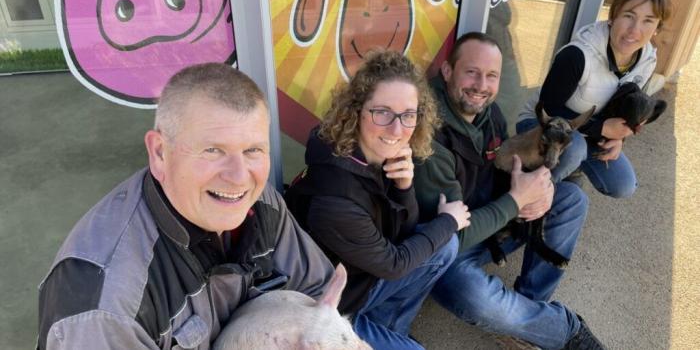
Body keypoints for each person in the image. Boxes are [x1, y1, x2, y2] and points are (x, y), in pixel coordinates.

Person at [38, 63, 335, 350]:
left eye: (253, 150)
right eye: (213, 150)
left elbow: (315, 293)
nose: (238, 176)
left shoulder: (260, 201)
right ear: (159, 153)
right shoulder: (107, 308)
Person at [413, 32, 605, 349]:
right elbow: (448, 236)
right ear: (448, 71)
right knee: (470, 295)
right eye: (471, 72)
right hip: (449, 248)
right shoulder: (428, 135)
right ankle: (564, 330)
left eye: (491, 76)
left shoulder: (491, 114)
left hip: (494, 220)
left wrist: (535, 193)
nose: (481, 85)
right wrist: (516, 202)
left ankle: (527, 313)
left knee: (572, 200)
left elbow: (505, 173)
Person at [285, 51, 470, 350]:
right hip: (329, 308)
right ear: (357, 110)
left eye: (408, 115)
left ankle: (389, 330)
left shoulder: (374, 154)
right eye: (382, 112)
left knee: (445, 246)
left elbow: (403, 232)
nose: (397, 130)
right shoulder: (335, 199)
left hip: (362, 277)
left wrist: (404, 186)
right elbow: (394, 264)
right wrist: (448, 220)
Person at [517, 0, 672, 197]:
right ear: (613, 17)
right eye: (628, 16)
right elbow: (550, 108)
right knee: (575, 149)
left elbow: (625, 107)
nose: (635, 30)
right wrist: (600, 129)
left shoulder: (647, 59)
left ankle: (565, 171)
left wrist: (619, 138)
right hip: (540, 124)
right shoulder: (577, 54)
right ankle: (525, 195)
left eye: (648, 21)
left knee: (623, 185)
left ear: (657, 28)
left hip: (585, 132)